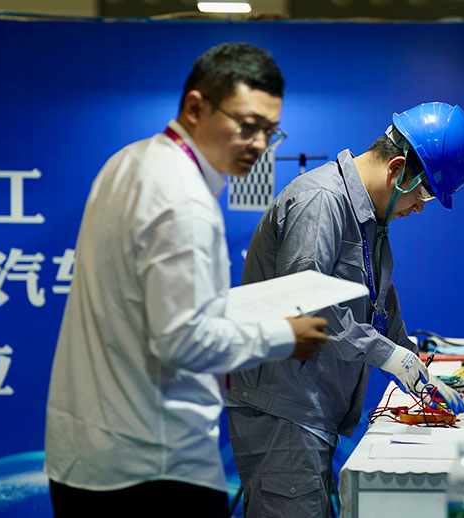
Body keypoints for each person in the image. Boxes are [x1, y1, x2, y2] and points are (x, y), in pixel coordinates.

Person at [44, 42, 328, 518]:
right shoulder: (184, 200)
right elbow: (181, 341)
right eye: (248, 125)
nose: (259, 145)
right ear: (196, 108)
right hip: (151, 466)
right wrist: (283, 336)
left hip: (83, 456)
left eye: (270, 131)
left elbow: (149, 310)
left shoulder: (128, 162)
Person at [227, 102, 464, 517]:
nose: (420, 207)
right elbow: (307, 309)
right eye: (424, 194)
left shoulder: (369, 221)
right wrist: (390, 357)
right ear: (397, 169)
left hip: (309, 411)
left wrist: (416, 368)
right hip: (282, 410)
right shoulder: (321, 202)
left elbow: (378, 306)